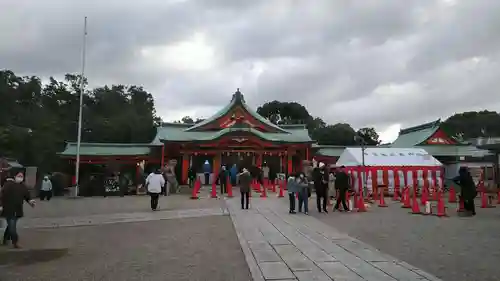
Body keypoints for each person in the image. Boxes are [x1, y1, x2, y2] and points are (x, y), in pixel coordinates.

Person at [1, 171, 36, 248]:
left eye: (21, 176)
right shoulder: (9, 185)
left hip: (18, 210)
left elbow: (27, 196)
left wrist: (30, 202)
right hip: (8, 209)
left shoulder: (23, 187)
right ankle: (15, 242)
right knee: (12, 227)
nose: (20, 177)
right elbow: (2, 195)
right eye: (19, 176)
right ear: (15, 176)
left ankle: (5, 239)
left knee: (10, 226)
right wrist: (1, 205)